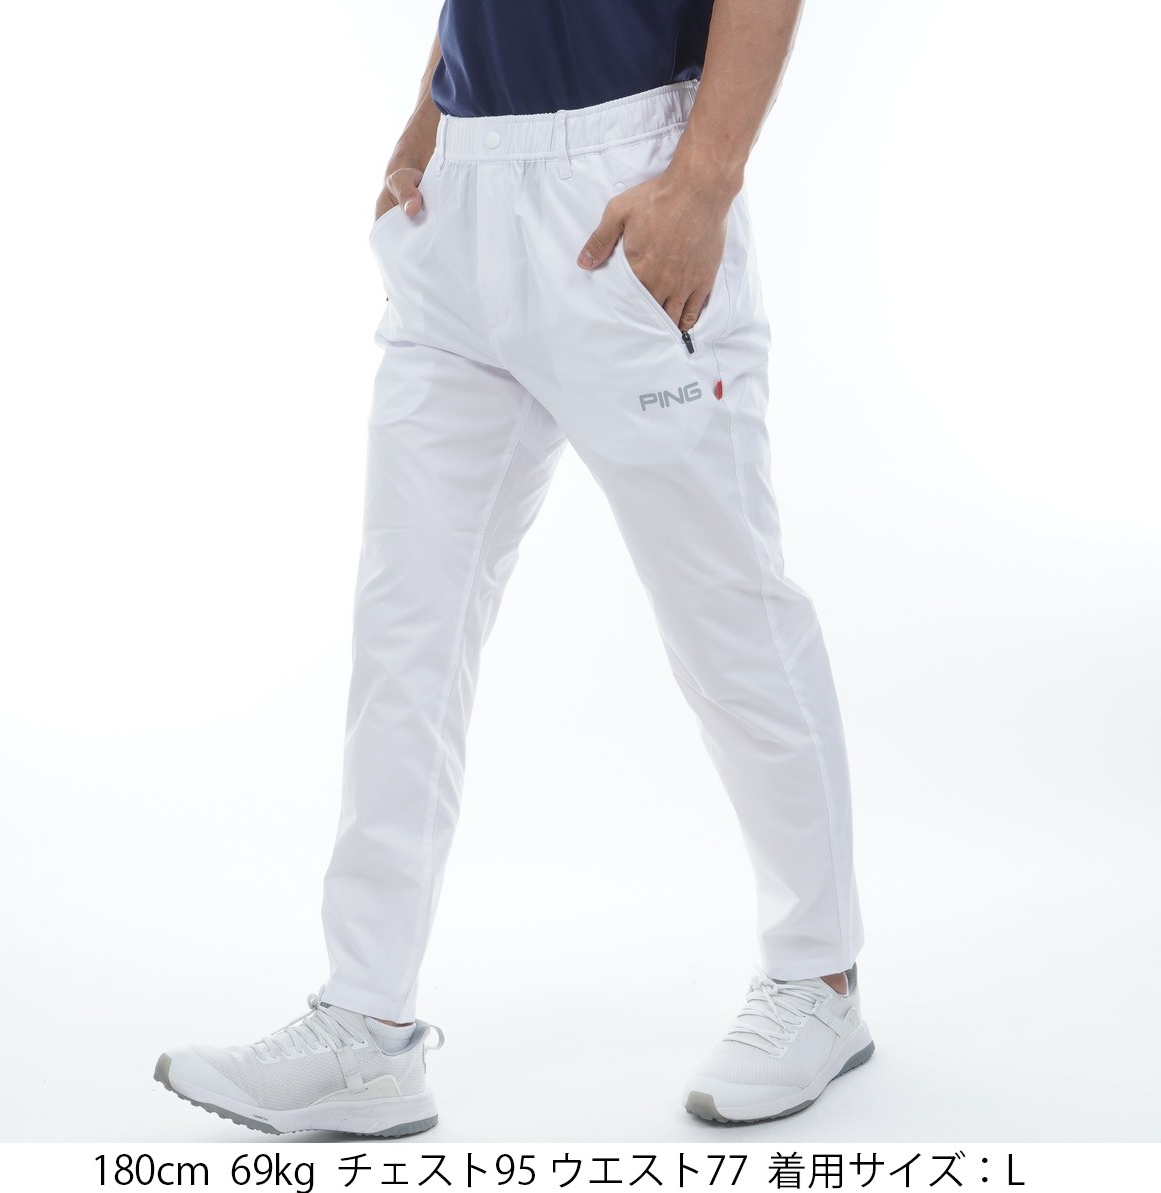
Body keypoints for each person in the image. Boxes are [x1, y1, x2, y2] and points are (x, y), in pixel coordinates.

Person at [155, 0, 873, 1136]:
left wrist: (705, 180)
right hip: (462, 195)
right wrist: (426, 118)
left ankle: (816, 977)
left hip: (625, 176)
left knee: (725, 612)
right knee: (408, 629)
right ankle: (366, 1026)